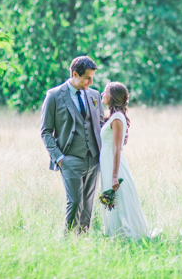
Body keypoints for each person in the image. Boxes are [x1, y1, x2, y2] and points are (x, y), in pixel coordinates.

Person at [40, 56, 103, 232]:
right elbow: (45, 131)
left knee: (88, 205)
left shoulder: (94, 95)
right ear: (75, 74)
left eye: (92, 78)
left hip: (93, 159)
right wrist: (59, 158)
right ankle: (68, 242)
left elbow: (100, 124)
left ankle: (83, 241)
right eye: (87, 78)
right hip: (70, 158)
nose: (90, 82)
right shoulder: (54, 96)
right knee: (75, 202)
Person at [99, 82, 151, 239]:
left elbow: (117, 148)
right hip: (107, 163)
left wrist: (115, 176)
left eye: (105, 92)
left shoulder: (117, 118)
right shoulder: (113, 117)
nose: (102, 94)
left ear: (112, 96)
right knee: (112, 200)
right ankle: (114, 234)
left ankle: (126, 235)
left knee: (118, 199)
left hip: (114, 165)